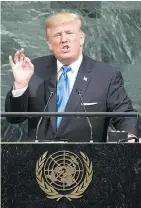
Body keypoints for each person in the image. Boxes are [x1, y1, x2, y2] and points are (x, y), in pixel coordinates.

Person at [5, 12, 138, 142]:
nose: (64, 40)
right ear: (49, 44)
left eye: (69, 33)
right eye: (57, 35)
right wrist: (21, 84)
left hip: (88, 159)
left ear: (81, 38)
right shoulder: (34, 70)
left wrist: (131, 138)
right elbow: (15, 118)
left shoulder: (106, 76)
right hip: (39, 160)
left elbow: (125, 115)